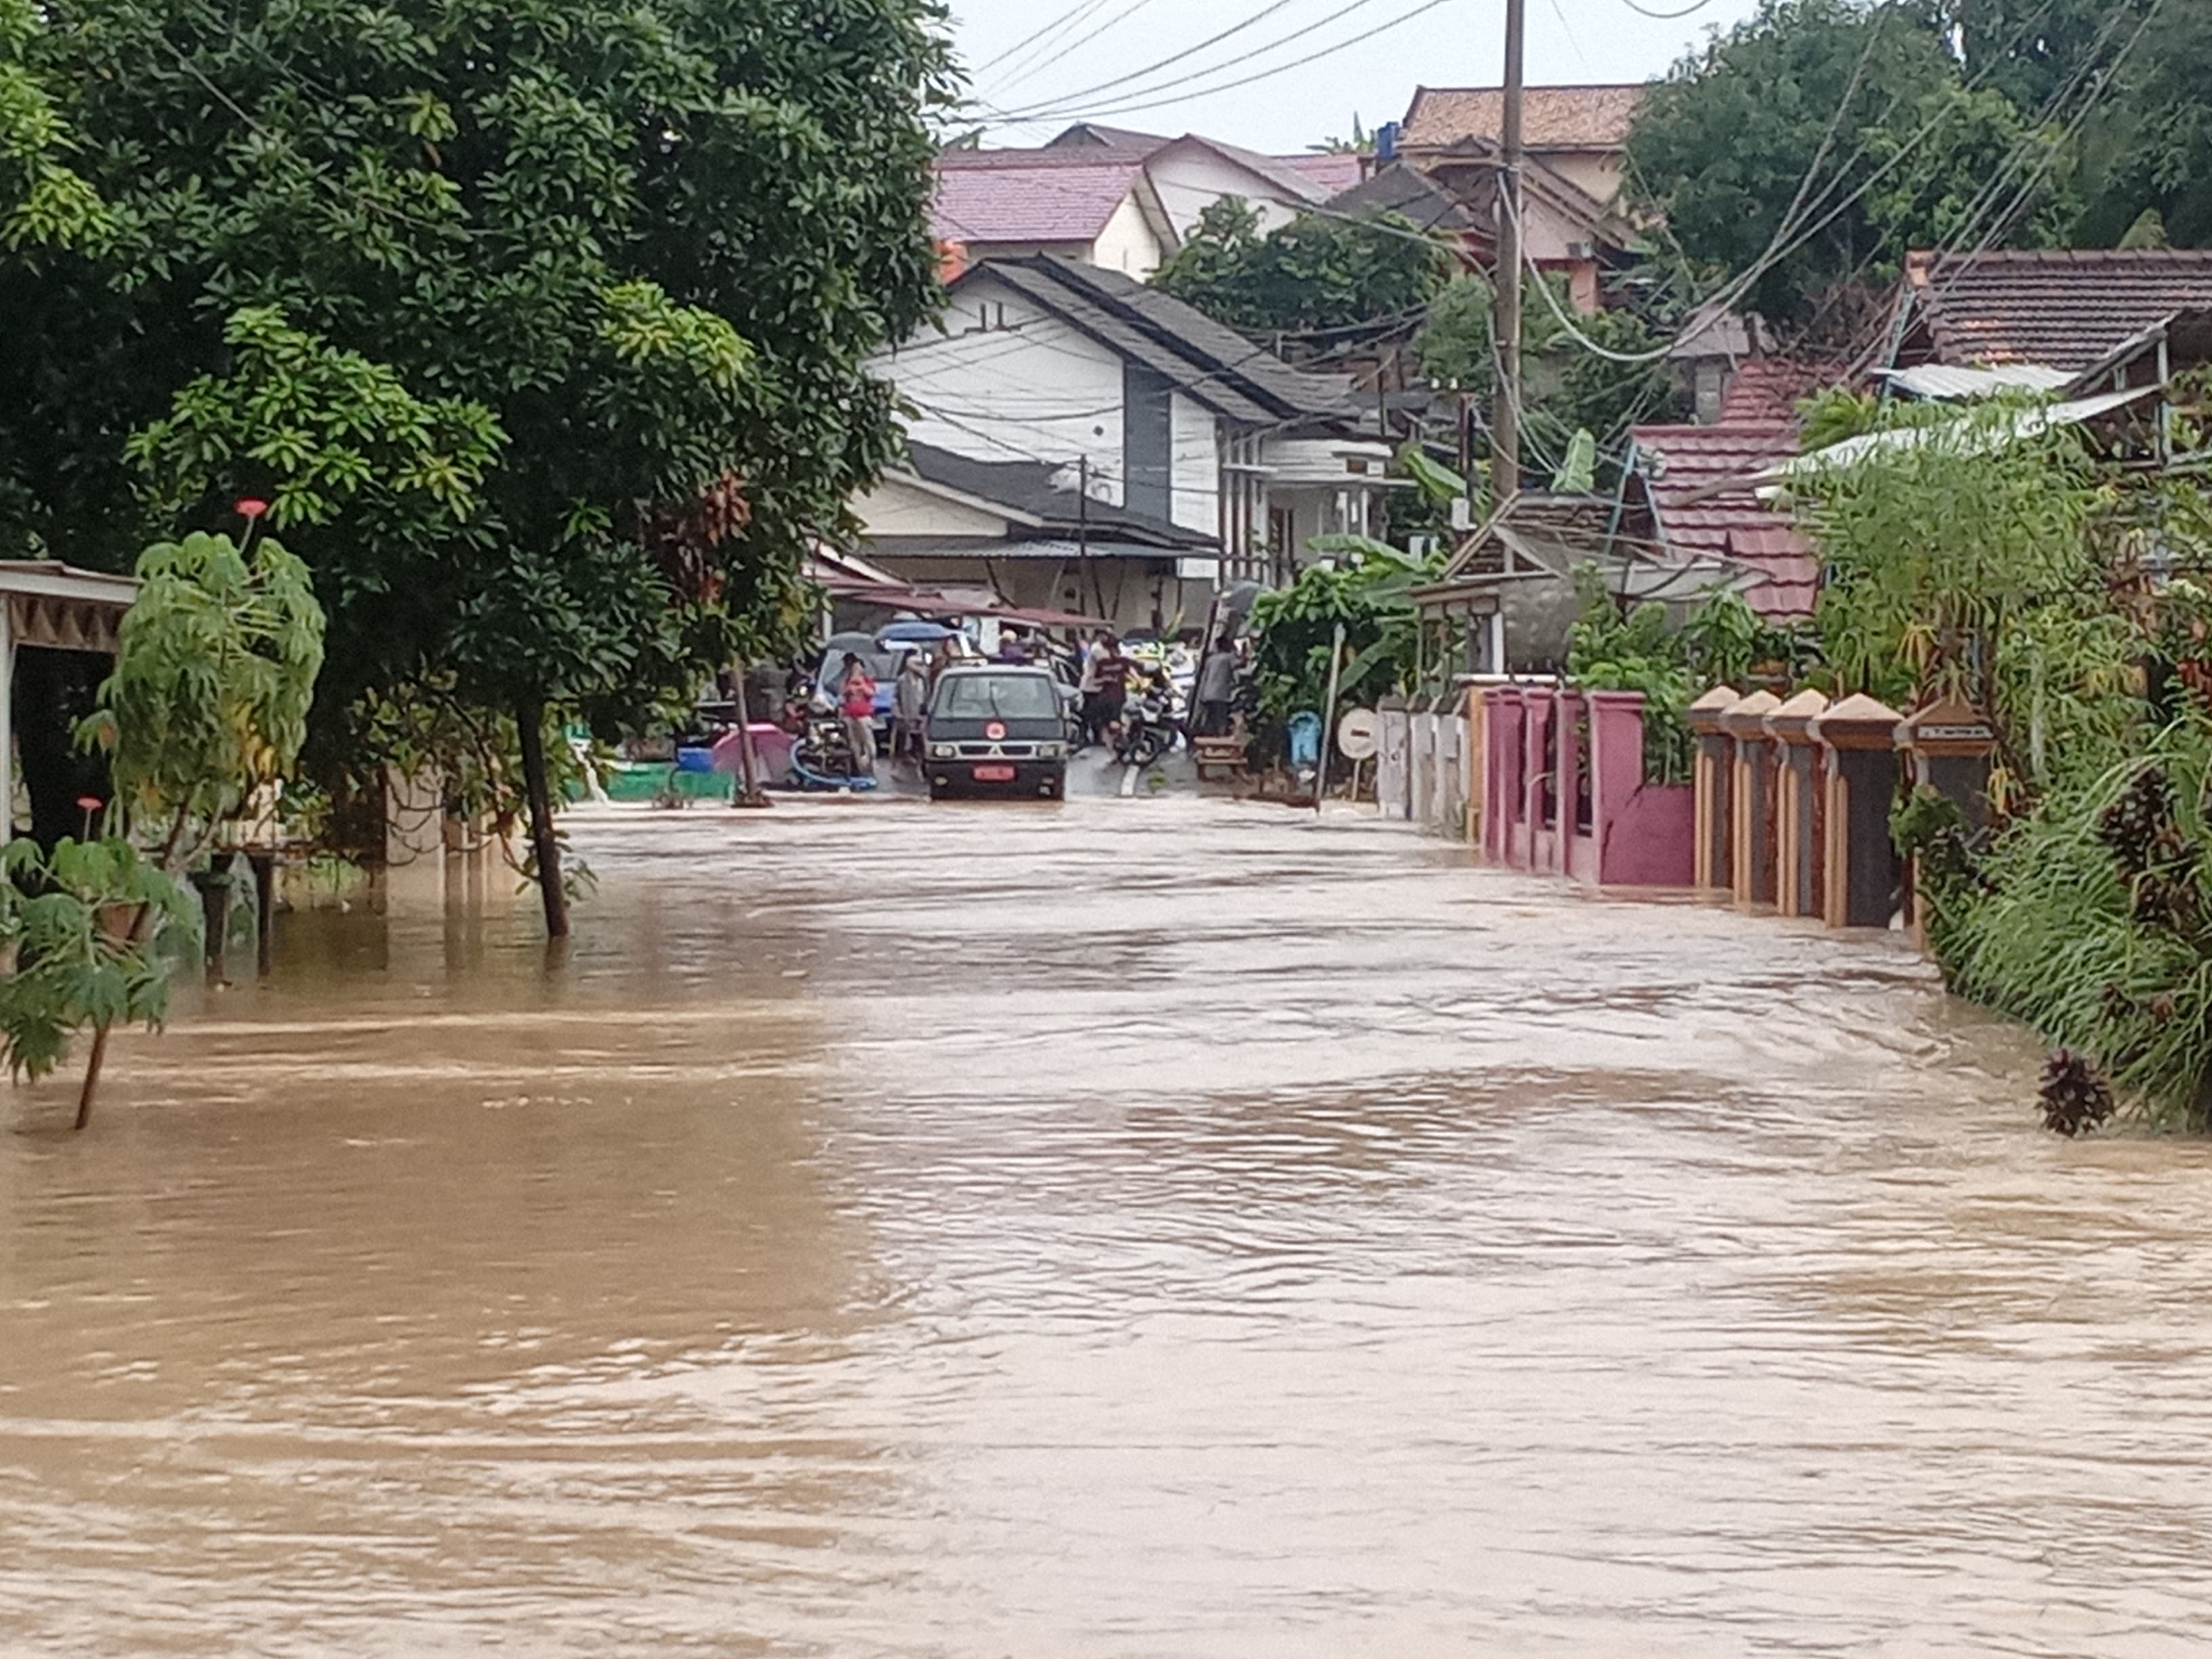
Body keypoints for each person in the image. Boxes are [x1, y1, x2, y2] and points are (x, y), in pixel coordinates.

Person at [838, 652, 878, 775]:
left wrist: (861, 686)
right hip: (850, 716)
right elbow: (842, 697)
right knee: (854, 743)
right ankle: (858, 767)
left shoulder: (867, 681)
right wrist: (848, 689)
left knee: (868, 741)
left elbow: (871, 693)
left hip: (863, 716)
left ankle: (872, 762)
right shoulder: (846, 682)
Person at [1088, 634, 1130, 747]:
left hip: (1109, 698)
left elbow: (1095, 681)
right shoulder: (1123, 661)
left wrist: (1104, 679)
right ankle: (1120, 739)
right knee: (1111, 722)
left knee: (1106, 724)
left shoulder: (1104, 663)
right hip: (1117, 697)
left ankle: (1116, 743)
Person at [892, 651, 930, 768]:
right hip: (907, 715)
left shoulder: (923, 680)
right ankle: (903, 760)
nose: (921, 668)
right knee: (905, 741)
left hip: (920, 714)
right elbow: (895, 698)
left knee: (921, 742)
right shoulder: (902, 680)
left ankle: (919, 761)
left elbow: (926, 696)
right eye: (918, 665)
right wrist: (898, 714)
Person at [1195, 632, 1237, 738]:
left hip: (1208, 693)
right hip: (1220, 694)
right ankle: (1220, 741)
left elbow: (1204, 677)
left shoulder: (1211, 660)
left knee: (1210, 719)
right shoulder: (1228, 658)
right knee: (1221, 720)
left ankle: (1208, 739)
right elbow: (1240, 664)